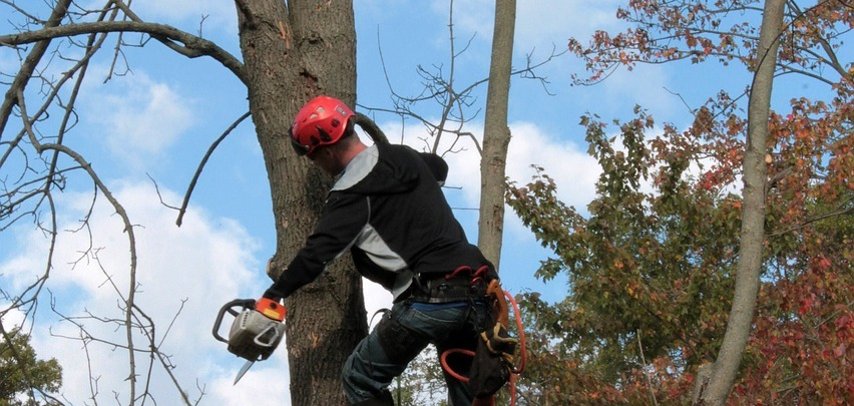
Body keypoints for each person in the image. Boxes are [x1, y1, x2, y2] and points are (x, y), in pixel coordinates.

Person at [264, 95, 498, 405]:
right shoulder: (404, 157)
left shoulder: (351, 193)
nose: (316, 165)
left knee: (359, 379)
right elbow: (438, 167)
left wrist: (273, 295)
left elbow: (316, 254)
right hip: (479, 296)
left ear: (327, 150)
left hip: (429, 300)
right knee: (469, 397)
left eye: (314, 157)